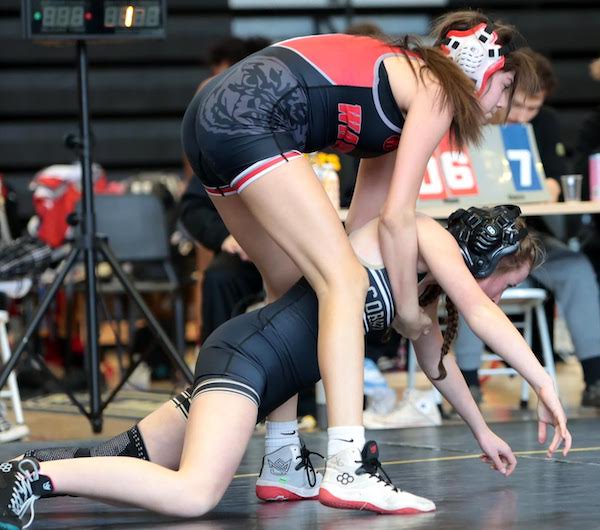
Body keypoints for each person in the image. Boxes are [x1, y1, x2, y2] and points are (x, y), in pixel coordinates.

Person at [0, 205, 572, 528]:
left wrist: (482, 431)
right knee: (195, 493)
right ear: (487, 257)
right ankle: (34, 479)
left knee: (127, 453)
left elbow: (438, 366)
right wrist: (544, 382)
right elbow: (480, 312)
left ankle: (18, 470)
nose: (499, 297)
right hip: (249, 361)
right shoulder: (420, 233)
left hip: (253, 365)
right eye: (507, 284)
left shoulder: (416, 290)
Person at [180, 10, 538, 507]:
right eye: (504, 87)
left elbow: (363, 234)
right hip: (249, 116)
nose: (501, 105)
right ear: (481, 68)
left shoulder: (401, 95)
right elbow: (397, 220)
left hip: (209, 121)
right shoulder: (436, 88)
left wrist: (406, 306)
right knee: (343, 283)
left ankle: (282, 459)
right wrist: (407, 311)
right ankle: (349, 464)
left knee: (292, 286)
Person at [453, 49, 600, 407]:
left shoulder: (543, 123)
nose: (521, 117)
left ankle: (595, 377)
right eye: (517, 106)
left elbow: (555, 180)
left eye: (532, 109)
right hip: (471, 238)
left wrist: (544, 187)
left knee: (577, 269)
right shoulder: (468, 118)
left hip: (525, 237)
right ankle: (467, 380)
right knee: (471, 271)